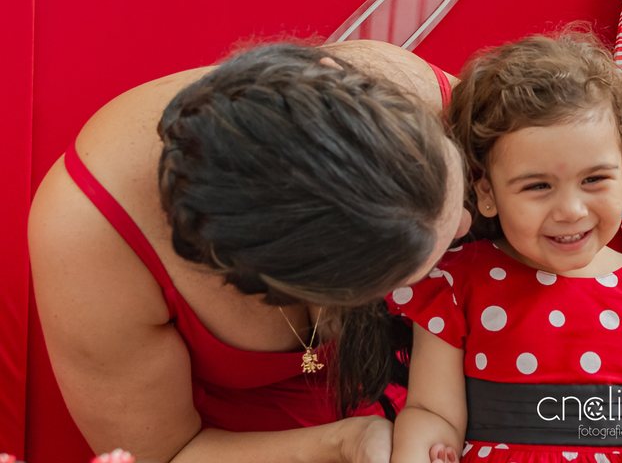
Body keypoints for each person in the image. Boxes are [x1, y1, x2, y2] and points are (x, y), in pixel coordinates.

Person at [28, 41, 473, 463]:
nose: (468, 227)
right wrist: (346, 442)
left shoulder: (408, 90)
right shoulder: (92, 249)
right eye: (400, 275)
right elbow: (164, 454)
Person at [387, 33, 622, 463]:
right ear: (486, 190)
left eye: (595, 179)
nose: (571, 210)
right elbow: (431, 411)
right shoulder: (457, 284)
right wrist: (424, 448)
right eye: (538, 186)